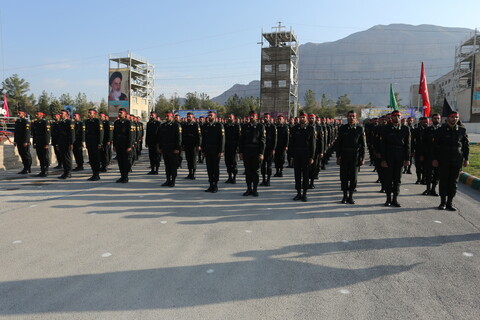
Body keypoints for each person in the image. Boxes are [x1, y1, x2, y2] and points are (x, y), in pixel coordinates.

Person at [432, 111, 469, 211]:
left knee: (453, 182)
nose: (454, 119)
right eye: (452, 117)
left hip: (457, 160)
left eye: (456, 117)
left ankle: (450, 203)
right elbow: (435, 146)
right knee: (444, 181)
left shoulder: (462, 130)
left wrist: (466, 159)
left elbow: (465, 146)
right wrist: (435, 159)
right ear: (448, 118)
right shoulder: (441, 130)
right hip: (444, 160)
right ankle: (443, 202)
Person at [379, 110, 411, 207]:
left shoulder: (405, 129)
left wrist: (407, 158)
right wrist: (383, 159)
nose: (397, 117)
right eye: (395, 116)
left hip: (400, 156)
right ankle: (388, 199)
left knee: (397, 178)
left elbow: (408, 145)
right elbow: (382, 145)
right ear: (391, 117)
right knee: (388, 178)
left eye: (398, 116)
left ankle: (395, 199)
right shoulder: (386, 129)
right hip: (389, 156)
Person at [336, 111, 366, 204]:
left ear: (356, 118)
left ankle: (351, 196)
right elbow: (339, 144)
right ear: (347, 117)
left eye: (353, 116)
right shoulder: (342, 128)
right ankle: (344, 196)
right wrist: (338, 156)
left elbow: (363, 145)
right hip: (344, 155)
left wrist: (362, 157)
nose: (351, 118)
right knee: (344, 176)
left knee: (353, 177)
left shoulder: (360, 129)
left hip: (355, 155)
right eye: (349, 116)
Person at [290, 112, 316, 202]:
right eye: (300, 117)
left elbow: (313, 144)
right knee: (297, 174)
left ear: (306, 118)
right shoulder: (294, 129)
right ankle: (298, 193)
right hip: (296, 153)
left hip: (306, 154)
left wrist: (311, 156)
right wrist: (291, 156)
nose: (302, 119)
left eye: (303, 117)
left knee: (305, 174)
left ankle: (304, 193)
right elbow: (291, 143)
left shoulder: (310, 129)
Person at [239, 111, 265, 196]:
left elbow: (262, 141)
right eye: (250, 116)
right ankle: (248, 188)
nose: (251, 117)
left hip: (256, 151)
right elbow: (241, 140)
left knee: (255, 171)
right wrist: (241, 152)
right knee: (248, 171)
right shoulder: (245, 126)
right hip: (247, 151)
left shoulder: (260, 126)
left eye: (253, 116)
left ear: (256, 117)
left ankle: (255, 189)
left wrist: (261, 153)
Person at [201, 111, 224, 193]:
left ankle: (215, 185)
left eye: (211, 115)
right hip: (207, 150)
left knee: (215, 168)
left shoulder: (219, 125)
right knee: (209, 168)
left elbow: (222, 139)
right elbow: (203, 139)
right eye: (208, 115)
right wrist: (203, 150)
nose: (209, 117)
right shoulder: (205, 126)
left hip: (216, 151)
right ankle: (210, 184)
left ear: (214, 116)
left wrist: (221, 151)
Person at [157, 111, 182, 187]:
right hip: (165, 148)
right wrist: (160, 147)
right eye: (166, 116)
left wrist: (177, 148)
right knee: (167, 165)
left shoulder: (176, 125)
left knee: (173, 165)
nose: (166, 117)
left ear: (172, 117)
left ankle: (173, 180)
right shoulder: (163, 125)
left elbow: (179, 138)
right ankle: (168, 180)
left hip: (173, 149)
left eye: (168, 116)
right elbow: (160, 137)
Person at [421, 113, 441, 196]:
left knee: (437, 173)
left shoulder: (442, 130)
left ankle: (433, 189)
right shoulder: (427, 130)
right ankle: (428, 189)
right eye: (435, 118)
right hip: (429, 155)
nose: (436, 120)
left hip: (439, 155)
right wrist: (423, 154)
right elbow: (423, 143)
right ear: (432, 120)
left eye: (438, 118)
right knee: (428, 173)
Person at [113, 108, 134, 183]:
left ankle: (125, 176)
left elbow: (130, 135)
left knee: (125, 161)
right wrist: (114, 145)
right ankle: (122, 176)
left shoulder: (128, 123)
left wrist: (129, 146)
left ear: (125, 114)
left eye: (121, 113)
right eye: (119, 112)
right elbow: (114, 134)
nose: (119, 114)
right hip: (118, 144)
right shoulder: (116, 122)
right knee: (120, 161)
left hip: (125, 144)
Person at [84, 109, 104, 181]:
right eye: (88, 113)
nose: (88, 114)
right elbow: (86, 133)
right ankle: (93, 173)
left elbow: (101, 133)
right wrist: (86, 142)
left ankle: (97, 174)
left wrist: (100, 143)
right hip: (90, 142)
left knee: (96, 159)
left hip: (96, 143)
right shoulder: (87, 122)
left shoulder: (97, 121)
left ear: (94, 114)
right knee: (91, 159)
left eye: (90, 113)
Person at [182, 112, 201, 179]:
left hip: (193, 145)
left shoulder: (196, 125)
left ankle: (193, 173)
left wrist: (198, 145)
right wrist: (183, 144)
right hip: (187, 145)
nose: (188, 118)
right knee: (188, 159)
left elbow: (199, 136)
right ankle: (189, 172)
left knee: (193, 159)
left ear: (193, 117)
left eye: (189, 116)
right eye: (187, 116)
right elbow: (183, 135)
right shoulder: (185, 125)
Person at [56, 110, 75, 179]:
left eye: (62, 113)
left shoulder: (70, 122)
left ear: (67, 115)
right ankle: (65, 172)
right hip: (61, 142)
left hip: (67, 143)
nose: (60, 114)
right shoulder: (61, 122)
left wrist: (71, 143)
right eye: (60, 113)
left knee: (67, 158)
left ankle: (68, 172)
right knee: (63, 158)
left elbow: (72, 134)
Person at [31, 111, 51, 177]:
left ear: (41, 115)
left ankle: (46, 170)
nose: (36, 115)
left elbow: (47, 134)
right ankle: (42, 170)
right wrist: (34, 143)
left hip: (43, 142)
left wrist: (46, 143)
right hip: (38, 142)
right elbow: (34, 134)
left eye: (38, 114)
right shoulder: (36, 123)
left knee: (45, 156)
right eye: (36, 114)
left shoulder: (45, 122)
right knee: (40, 157)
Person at [260, 113, 277, 186]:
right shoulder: (261, 126)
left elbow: (275, 139)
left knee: (269, 165)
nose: (265, 118)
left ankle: (268, 180)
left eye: (267, 117)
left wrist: (273, 148)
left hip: (269, 148)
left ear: (269, 118)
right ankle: (263, 179)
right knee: (262, 165)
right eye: (264, 117)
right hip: (263, 149)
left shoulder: (273, 127)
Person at [224, 113, 241, 184]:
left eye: (230, 117)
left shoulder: (237, 126)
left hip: (234, 147)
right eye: (228, 117)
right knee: (228, 163)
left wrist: (238, 147)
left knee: (234, 163)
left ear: (233, 118)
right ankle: (229, 177)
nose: (229, 118)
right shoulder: (225, 126)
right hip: (227, 147)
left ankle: (234, 178)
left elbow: (239, 138)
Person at [14, 110, 32, 174]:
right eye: (18, 113)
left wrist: (26, 141)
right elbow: (16, 132)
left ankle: (28, 168)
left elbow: (27, 133)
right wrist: (15, 141)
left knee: (26, 154)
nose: (18, 114)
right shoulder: (18, 122)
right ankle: (25, 167)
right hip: (19, 140)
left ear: (24, 114)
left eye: (20, 113)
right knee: (21, 154)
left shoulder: (26, 122)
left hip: (24, 141)